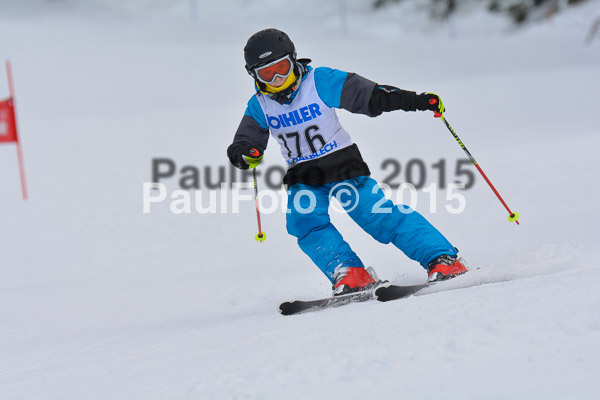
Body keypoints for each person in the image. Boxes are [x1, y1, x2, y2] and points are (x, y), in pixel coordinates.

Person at [227, 28, 467, 296]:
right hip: (303, 175)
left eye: (282, 67)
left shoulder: (319, 81)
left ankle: (443, 258)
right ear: (254, 76)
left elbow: (372, 96)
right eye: (267, 74)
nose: (277, 78)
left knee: (376, 215)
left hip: (343, 166)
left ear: (294, 60)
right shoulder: (260, 105)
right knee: (303, 223)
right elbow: (247, 140)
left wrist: (416, 101)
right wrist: (244, 152)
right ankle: (350, 272)